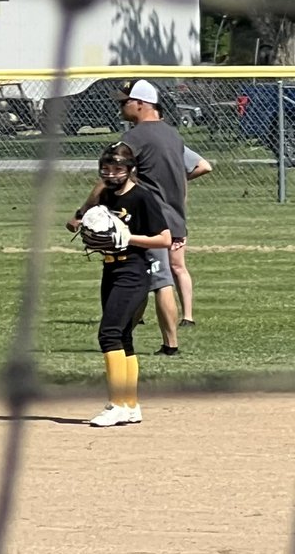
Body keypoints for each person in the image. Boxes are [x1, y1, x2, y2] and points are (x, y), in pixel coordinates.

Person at [67, 79, 208, 355]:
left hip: (150, 222)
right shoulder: (173, 135)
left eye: (125, 102)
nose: (121, 106)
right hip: (174, 217)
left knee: (161, 281)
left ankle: (170, 345)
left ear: (141, 104)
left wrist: (81, 213)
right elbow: (192, 172)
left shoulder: (135, 137)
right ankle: (124, 334)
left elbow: (110, 176)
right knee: (143, 280)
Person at [85, 143, 171, 427]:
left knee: (108, 334)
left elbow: (164, 239)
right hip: (111, 268)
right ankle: (131, 405)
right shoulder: (105, 195)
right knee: (123, 337)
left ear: (131, 170)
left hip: (133, 271)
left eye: (118, 169)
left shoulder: (142, 198)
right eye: (106, 169)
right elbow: (86, 223)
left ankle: (116, 403)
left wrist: (129, 237)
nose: (111, 174)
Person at [173, 145, 213, 327]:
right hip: (174, 214)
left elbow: (205, 166)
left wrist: (177, 181)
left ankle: (188, 315)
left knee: (174, 265)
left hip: (166, 214)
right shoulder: (173, 144)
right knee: (177, 266)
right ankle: (187, 316)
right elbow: (204, 166)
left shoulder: (171, 146)